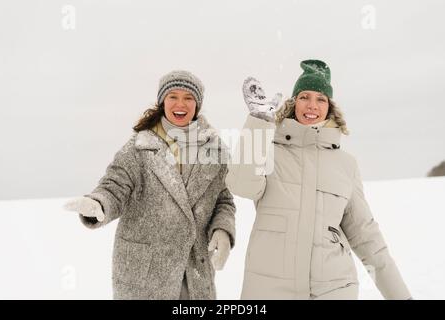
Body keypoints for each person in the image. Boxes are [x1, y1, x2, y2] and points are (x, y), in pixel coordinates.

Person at [226, 60, 412, 300]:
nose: (312, 105)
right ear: (294, 103)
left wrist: (402, 297)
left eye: (321, 99)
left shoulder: (346, 165)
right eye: (304, 97)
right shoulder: (268, 149)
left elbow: (366, 238)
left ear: (330, 107)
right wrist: (257, 125)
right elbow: (242, 185)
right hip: (269, 288)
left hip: (333, 288)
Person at [64, 70, 236, 300]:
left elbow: (223, 198)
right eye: (173, 96)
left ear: (197, 104)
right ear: (162, 101)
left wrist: (223, 230)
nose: (180, 104)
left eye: (188, 98)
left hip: (193, 273)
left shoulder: (215, 150)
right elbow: (115, 184)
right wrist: (99, 202)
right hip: (145, 276)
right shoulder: (140, 147)